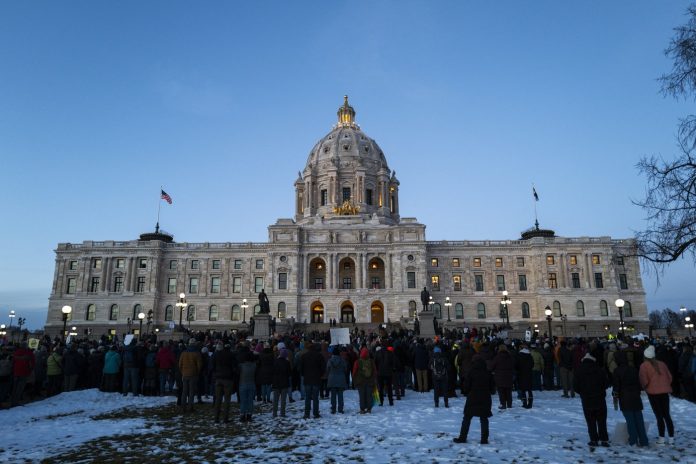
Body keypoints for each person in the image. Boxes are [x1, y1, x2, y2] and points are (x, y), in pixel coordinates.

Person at [453, 357, 494, 444]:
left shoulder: (471, 372)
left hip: (473, 396)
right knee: (484, 418)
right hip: (485, 397)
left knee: (467, 417)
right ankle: (484, 439)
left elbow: (466, 386)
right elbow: (492, 388)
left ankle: (462, 437)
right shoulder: (488, 373)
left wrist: (468, 391)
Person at [639, 344, 675, 445]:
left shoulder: (644, 366)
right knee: (667, 415)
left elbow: (644, 381)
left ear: (645, 356)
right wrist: (665, 385)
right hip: (664, 392)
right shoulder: (662, 364)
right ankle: (671, 438)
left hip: (653, 393)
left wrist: (645, 388)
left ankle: (661, 439)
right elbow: (670, 377)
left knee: (659, 416)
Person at [574, 351, 610, 448]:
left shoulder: (579, 370)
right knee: (602, 420)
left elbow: (575, 386)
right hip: (600, 398)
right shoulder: (599, 370)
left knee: (590, 421)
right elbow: (606, 384)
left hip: (586, 400)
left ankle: (593, 439)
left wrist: (583, 392)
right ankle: (604, 439)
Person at [613, 351, 649, 447]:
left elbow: (616, 386)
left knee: (630, 421)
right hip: (636, 397)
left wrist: (615, 398)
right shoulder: (633, 369)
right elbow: (639, 384)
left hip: (625, 398)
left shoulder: (617, 371)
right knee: (639, 420)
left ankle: (633, 441)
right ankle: (644, 441)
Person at [299, 341, 325, 419]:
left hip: (307, 379)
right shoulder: (319, 356)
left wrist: (303, 374)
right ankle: (315, 413)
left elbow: (301, 368)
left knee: (307, 397)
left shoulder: (304, 356)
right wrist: (320, 374)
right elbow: (323, 367)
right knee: (315, 397)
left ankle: (307, 414)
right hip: (316, 379)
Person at [212, 342, 237, 423]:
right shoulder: (230, 354)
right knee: (227, 399)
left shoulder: (215, 355)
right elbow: (234, 366)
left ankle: (216, 418)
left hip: (218, 379)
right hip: (228, 379)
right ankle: (225, 418)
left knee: (218, 399)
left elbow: (212, 367)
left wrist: (215, 375)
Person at [178, 339, 202, 413]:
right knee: (191, 392)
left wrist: (182, 372)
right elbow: (199, 365)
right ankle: (190, 407)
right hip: (193, 374)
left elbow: (180, 364)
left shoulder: (183, 353)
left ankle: (183, 407)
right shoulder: (197, 353)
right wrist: (197, 372)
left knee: (184, 391)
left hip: (185, 374)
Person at [490, 343, 514, 409]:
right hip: (509, 376)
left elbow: (492, 366)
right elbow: (513, 365)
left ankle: (503, 404)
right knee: (508, 391)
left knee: (501, 391)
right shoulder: (510, 357)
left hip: (499, 376)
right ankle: (509, 404)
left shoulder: (497, 357)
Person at [352, 347, 377, 414]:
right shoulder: (371, 361)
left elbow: (354, 371)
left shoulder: (357, 361)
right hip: (370, 381)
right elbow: (375, 371)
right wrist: (374, 379)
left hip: (360, 381)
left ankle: (362, 409)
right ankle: (369, 409)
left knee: (362, 395)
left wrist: (354, 379)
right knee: (369, 395)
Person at [326, 346, 348, 414]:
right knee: (340, 395)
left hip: (332, 379)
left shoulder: (330, 360)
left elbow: (327, 369)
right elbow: (345, 369)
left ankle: (333, 409)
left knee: (333, 395)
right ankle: (340, 409)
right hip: (341, 379)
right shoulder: (342, 360)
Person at [272, 348, 292, 417]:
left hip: (276, 382)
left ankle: (274, 413)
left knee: (275, 399)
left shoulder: (275, 361)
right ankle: (282, 413)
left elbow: (273, 372)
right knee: (283, 400)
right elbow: (289, 373)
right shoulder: (287, 363)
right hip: (284, 382)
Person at [516, 343, 534, 409]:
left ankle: (524, 403)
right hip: (529, 373)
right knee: (529, 390)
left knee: (523, 389)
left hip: (521, 374)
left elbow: (516, 365)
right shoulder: (530, 356)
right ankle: (530, 403)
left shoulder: (519, 356)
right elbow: (532, 364)